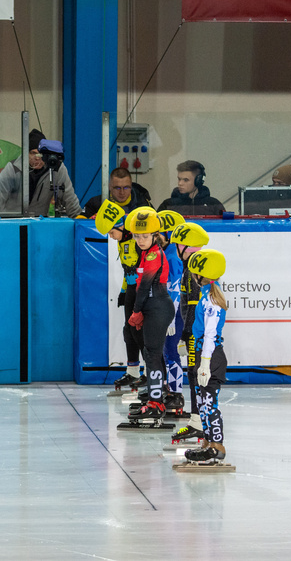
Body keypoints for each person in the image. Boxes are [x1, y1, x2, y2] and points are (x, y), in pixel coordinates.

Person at [124, 207, 175, 422]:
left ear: (154, 235)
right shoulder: (145, 252)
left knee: (152, 354)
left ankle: (156, 403)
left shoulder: (154, 254)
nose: (141, 240)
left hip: (157, 307)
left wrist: (136, 311)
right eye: (137, 236)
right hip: (153, 307)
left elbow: (144, 288)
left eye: (145, 236)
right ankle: (157, 395)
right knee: (152, 353)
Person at [183, 249, 229, 465]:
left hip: (210, 356)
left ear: (200, 275)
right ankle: (208, 442)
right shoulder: (207, 294)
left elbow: (210, 334)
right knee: (202, 402)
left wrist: (205, 364)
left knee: (209, 402)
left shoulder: (211, 298)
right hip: (205, 353)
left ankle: (217, 446)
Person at [95, 200, 144, 392]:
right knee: (129, 331)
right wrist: (124, 291)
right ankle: (133, 371)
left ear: (122, 226)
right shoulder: (122, 241)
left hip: (144, 290)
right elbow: (127, 270)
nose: (111, 237)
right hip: (132, 289)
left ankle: (150, 373)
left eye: (112, 232)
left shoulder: (138, 241)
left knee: (143, 333)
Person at [169, 221, 210, 444]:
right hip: (194, 329)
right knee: (193, 374)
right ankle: (197, 420)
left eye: (178, 245)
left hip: (196, 331)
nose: (175, 249)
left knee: (196, 375)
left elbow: (194, 306)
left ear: (186, 247)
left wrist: (186, 333)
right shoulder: (190, 267)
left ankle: (199, 422)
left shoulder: (194, 270)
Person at [0, 129, 82, 218]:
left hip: (40, 223)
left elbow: (70, 199)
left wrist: (80, 220)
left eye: (41, 154)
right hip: (12, 222)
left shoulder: (57, 169)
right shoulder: (13, 169)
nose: (37, 158)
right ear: (25, 153)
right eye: (33, 153)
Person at [157, 210, 186, 415]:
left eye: (159, 233)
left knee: (171, 350)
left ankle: (176, 395)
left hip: (174, 313)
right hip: (168, 311)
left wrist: (170, 318)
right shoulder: (164, 253)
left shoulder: (172, 257)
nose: (154, 236)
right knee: (166, 352)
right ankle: (171, 390)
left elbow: (175, 290)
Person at [157, 160, 224, 216]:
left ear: (198, 181)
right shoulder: (168, 204)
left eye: (185, 180)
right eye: (179, 179)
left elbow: (225, 228)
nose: (180, 183)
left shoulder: (213, 204)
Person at [82, 167, 153, 218]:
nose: (122, 192)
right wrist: (93, 219)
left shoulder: (143, 204)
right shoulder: (96, 203)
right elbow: (79, 223)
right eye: (117, 188)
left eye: (126, 188)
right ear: (110, 187)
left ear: (131, 186)